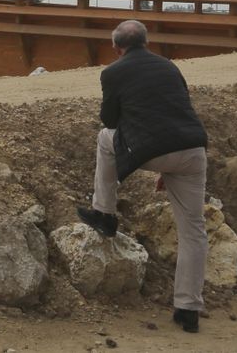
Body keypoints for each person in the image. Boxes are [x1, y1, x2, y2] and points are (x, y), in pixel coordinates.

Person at [77, 19, 209, 334]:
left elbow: (110, 119)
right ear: (147, 42)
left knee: (104, 138)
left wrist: (161, 163)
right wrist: (170, 168)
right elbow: (176, 111)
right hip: (193, 150)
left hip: (153, 150)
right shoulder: (169, 67)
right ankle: (188, 310)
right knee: (194, 231)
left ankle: (104, 213)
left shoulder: (113, 72)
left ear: (116, 48)